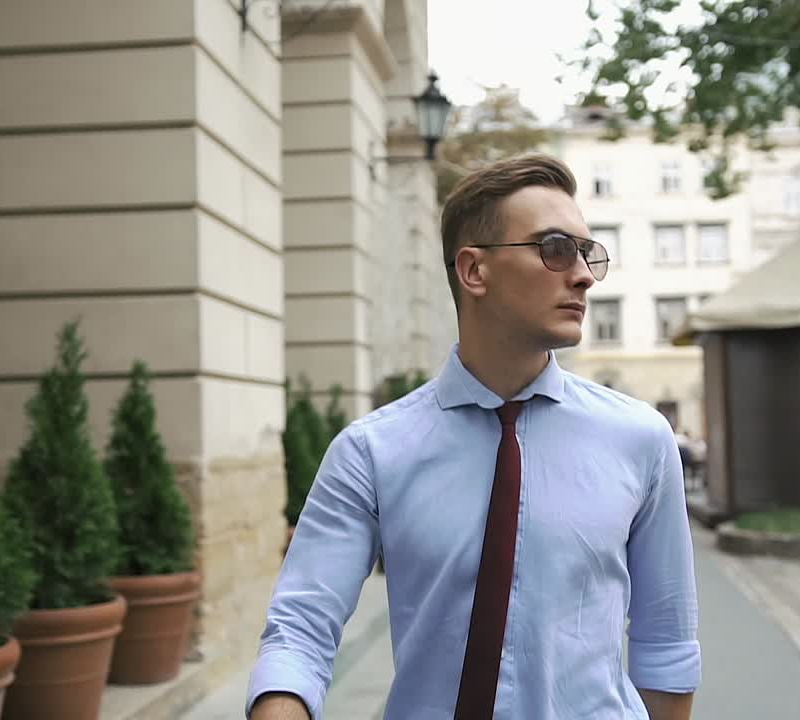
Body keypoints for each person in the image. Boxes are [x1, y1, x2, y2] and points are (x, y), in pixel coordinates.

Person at [246, 154, 700, 719]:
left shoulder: (640, 438)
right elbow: (299, 632)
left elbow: (667, 646)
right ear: (474, 271)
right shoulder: (371, 453)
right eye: (556, 248)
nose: (583, 274)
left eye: (588, 253)